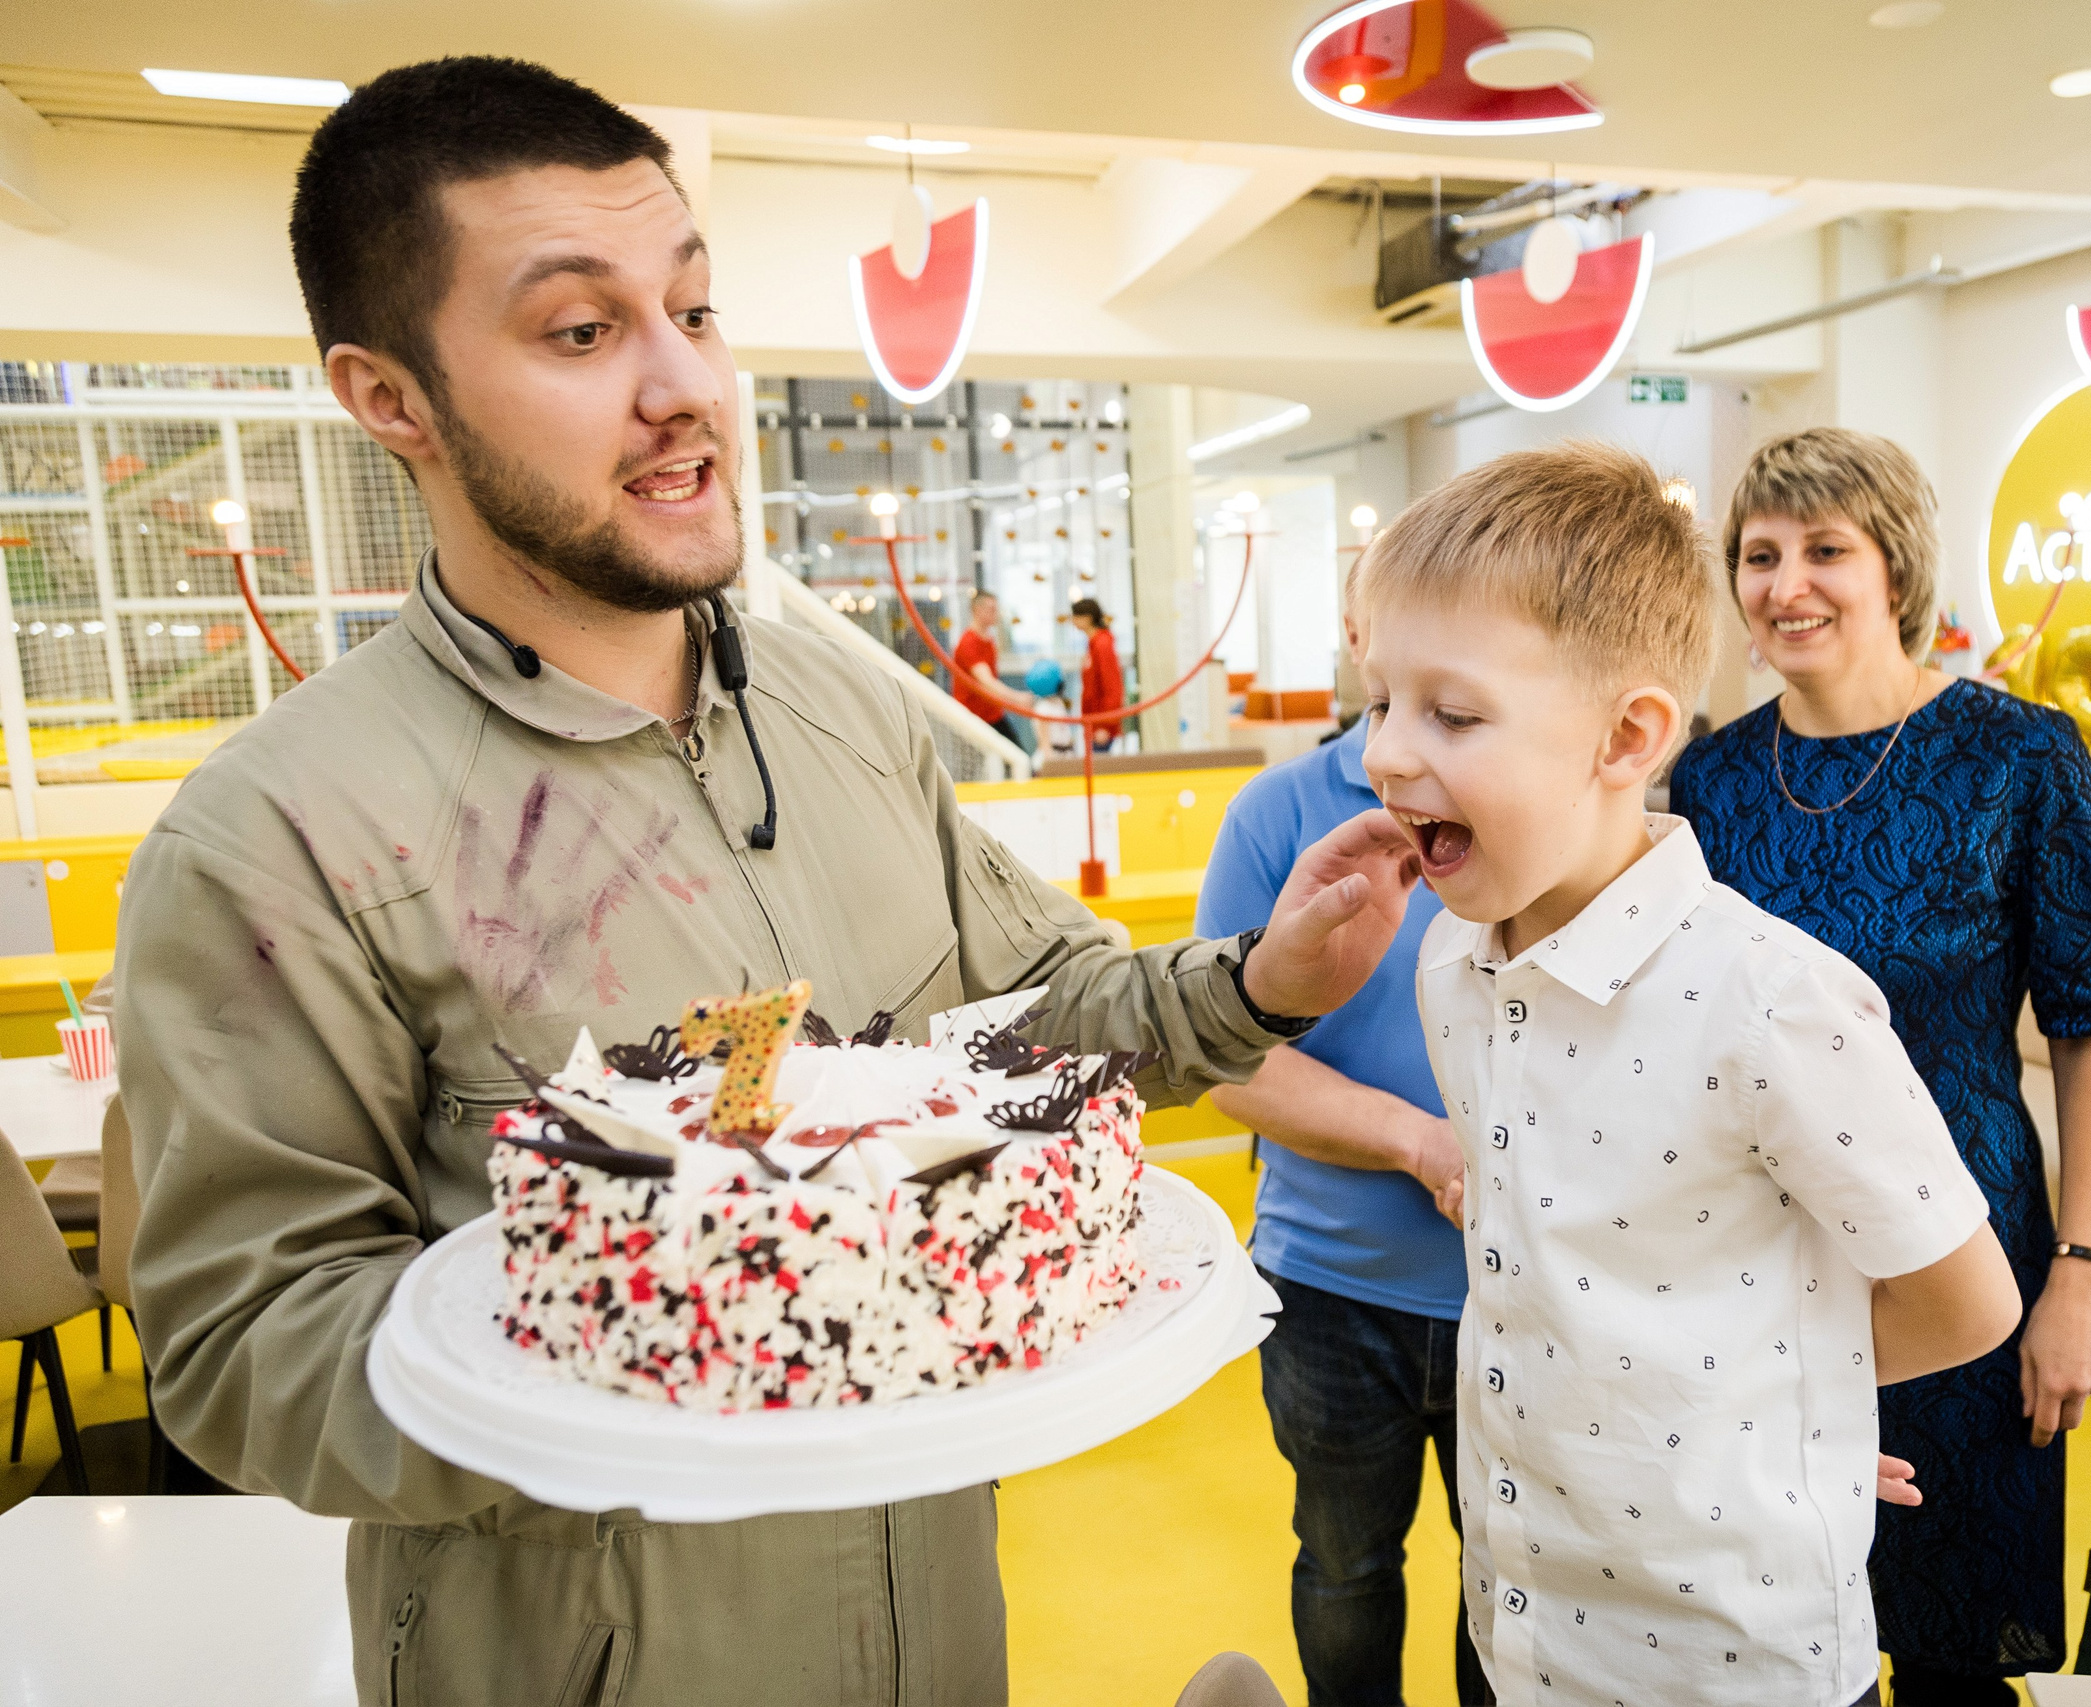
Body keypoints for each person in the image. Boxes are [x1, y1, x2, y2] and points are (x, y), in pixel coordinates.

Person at [110, 58, 1419, 1706]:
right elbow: (240, 1352)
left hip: (936, 1631)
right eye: (582, 333)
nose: (685, 389)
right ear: (392, 398)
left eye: (698, 313)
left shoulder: (848, 708)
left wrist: (1258, 982)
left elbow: (1039, 1011)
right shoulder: (277, 837)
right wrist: (675, 1333)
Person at [1357, 441, 2024, 1707]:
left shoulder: (1768, 1002)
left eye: (1449, 713)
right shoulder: (1451, 965)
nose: (1388, 753)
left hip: (1728, 1654)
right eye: (1377, 697)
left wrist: (1780, 1405)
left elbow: (1968, 1300)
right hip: (1523, 1617)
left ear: (1627, 737)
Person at [1669, 427, 2091, 1704]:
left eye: (1826, 548)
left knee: (1948, 1649)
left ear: (1895, 570)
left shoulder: (2024, 760)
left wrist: (2082, 1280)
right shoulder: (1705, 782)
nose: (1785, 584)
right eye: (1758, 555)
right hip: (1768, 1259)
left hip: (1965, 1255)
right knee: (1774, 1624)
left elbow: (2090, 1030)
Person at [1196, 576, 1487, 1707]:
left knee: (1509, 1582)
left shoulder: (1521, 822)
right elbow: (1226, 1066)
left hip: (1516, 1292)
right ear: (1356, 631)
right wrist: (1421, 1143)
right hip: (1325, 1287)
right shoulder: (1276, 815)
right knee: (1345, 1566)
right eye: (1390, 612)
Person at [955, 587, 1040, 753]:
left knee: (1017, 757)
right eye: (991, 609)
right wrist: (1018, 698)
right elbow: (987, 681)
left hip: (992, 713)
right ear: (977, 610)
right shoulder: (969, 643)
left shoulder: (989, 639)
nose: (996, 613)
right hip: (974, 717)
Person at [1071, 596, 1126, 751]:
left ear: (1087, 618)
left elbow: (1112, 686)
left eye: (1075, 617)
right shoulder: (1093, 644)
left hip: (1102, 724)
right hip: (1093, 722)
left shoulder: (1102, 644)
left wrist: (1105, 725)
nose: (1072, 622)